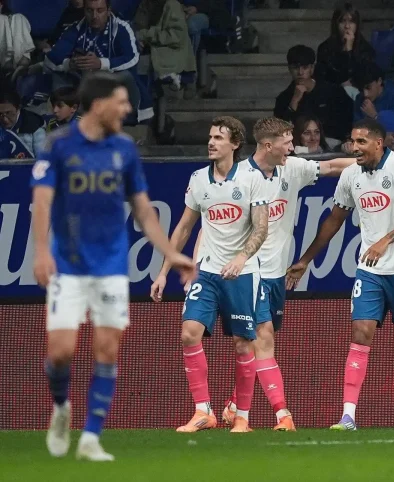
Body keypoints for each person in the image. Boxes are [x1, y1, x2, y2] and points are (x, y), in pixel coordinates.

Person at [32, 72, 196, 461]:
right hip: (68, 263)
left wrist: (170, 253)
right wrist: (41, 251)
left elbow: (143, 209)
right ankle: (61, 408)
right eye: (121, 102)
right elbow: (42, 201)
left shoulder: (124, 149)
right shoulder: (59, 145)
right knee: (60, 353)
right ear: (99, 103)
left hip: (110, 264)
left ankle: (91, 437)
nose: (126, 110)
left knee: (107, 349)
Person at [286, 118, 394, 431]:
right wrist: (305, 260)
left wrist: (384, 241)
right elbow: (333, 220)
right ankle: (348, 415)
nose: (355, 148)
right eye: (353, 141)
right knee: (360, 332)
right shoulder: (351, 175)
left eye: (361, 142)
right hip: (370, 269)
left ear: (379, 143)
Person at [212, 118, 356, 430]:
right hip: (249, 273)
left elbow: (332, 166)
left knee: (262, 342)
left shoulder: (291, 168)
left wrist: (373, 161)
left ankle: (235, 403)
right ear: (268, 145)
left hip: (276, 275)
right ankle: (282, 415)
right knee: (263, 339)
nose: (292, 147)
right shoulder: (240, 177)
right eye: (287, 142)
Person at [153, 116, 270, 434]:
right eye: (210, 137)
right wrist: (163, 272)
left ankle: (242, 416)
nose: (211, 142)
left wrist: (242, 258)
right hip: (205, 271)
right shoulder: (198, 180)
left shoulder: (252, 178)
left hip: (242, 274)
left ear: (235, 143)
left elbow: (261, 227)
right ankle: (203, 411)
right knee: (189, 333)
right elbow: (184, 227)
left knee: (243, 344)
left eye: (218, 137)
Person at [44, 0, 154, 124]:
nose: (94, 16)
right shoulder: (76, 28)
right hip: (85, 84)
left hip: (117, 86)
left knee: (125, 75)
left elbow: (132, 58)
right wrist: (69, 64)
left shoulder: (121, 28)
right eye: (89, 10)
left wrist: (101, 63)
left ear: (108, 10)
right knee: (59, 73)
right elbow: (51, 58)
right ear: (84, 10)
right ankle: (67, 118)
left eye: (100, 10)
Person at [273, 44, 353, 142]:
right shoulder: (284, 98)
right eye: (295, 68)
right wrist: (294, 102)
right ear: (289, 69)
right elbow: (280, 132)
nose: (300, 72)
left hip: (332, 143)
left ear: (312, 68)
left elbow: (347, 119)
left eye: (305, 67)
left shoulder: (333, 91)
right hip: (299, 146)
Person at [315, 3, 376, 89]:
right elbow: (327, 78)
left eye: (351, 21)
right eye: (343, 21)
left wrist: (349, 51)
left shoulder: (366, 49)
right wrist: (345, 53)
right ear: (336, 24)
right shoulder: (325, 48)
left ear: (357, 25)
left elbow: (363, 79)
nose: (347, 26)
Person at [0, 89, 45, 155]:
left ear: (18, 108)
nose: (5, 119)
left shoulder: (35, 126)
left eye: (8, 113)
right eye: (0, 114)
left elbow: (42, 157)